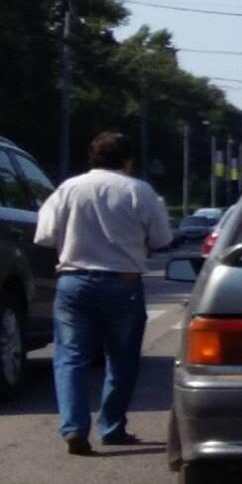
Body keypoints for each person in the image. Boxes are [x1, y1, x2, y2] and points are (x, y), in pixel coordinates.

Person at [34, 131, 173, 455]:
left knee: (70, 358)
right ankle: (111, 426)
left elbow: (43, 235)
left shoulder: (68, 189)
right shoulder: (139, 190)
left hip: (73, 281)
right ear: (127, 160)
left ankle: (73, 427)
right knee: (121, 360)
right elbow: (161, 239)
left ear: (92, 157)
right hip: (122, 283)